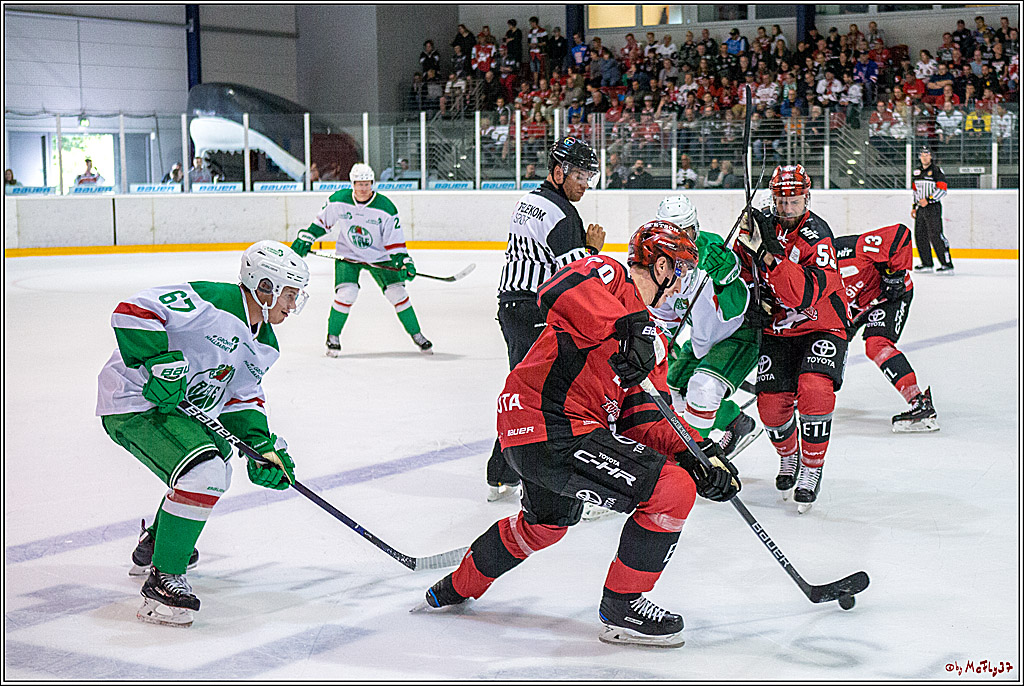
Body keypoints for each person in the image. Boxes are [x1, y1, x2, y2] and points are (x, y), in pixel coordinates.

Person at [422, 221, 740, 648]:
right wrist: (629, 326)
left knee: (546, 525)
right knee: (671, 489)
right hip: (551, 425)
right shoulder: (612, 276)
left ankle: (455, 587)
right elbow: (556, 290)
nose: (683, 286)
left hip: (535, 434)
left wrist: (699, 454)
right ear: (661, 265)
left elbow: (644, 419)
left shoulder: (654, 340)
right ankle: (623, 605)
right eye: (680, 271)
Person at [97, 241, 309, 627]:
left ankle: (159, 542)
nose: (292, 305)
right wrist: (155, 360)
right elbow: (133, 312)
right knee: (204, 471)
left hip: (181, 411)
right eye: (289, 294)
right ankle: (162, 582)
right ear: (265, 287)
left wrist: (260, 444)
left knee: (219, 462)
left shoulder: (264, 342)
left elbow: (240, 397)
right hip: (134, 402)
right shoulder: (210, 301)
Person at [486, 137, 605, 502]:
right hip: (533, 312)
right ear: (558, 171)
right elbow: (572, 276)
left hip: (512, 308)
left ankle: (501, 473)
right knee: (539, 397)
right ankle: (528, 476)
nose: (585, 184)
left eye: (590, 176)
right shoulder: (565, 216)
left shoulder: (529, 201)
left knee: (525, 392)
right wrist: (593, 251)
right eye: (581, 175)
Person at [735, 165, 850, 513]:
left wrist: (767, 255)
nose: (787, 208)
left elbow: (801, 294)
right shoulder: (762, 226)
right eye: (781, 201)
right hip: (779, 329)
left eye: (795, 201)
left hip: (822, 326)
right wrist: (752, 297)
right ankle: (789, 457)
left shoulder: (817, 235)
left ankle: (812, 469)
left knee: (815, 389)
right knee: (770, 407)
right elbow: (742, 272)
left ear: (807, 198)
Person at [651, 196, 760, 458]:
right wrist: (661, 342)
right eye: (671, 233)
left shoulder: (713, 249)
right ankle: (736, 423)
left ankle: (697, 457)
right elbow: (664, 313)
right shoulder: (660, 261)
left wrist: (725, 279)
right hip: (703, 338)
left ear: (695, 228)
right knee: (670, 387)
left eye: (685, 232)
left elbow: (737, 307)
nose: (680, 241)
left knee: (703, 388)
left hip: (739, 334)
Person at [289, 163, 433, 355]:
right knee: (346, 294)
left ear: (372, 183)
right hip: (348, 254)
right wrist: (307, 237)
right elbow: (322, 223)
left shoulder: (386, 208)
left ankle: (417, 335)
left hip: (380, 256)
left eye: (367, 184)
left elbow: (395, 241)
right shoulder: (339, 200)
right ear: (352, 184)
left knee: (398, 294)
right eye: (359, 184)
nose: (363, 188)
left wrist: (403, 261)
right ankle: (333, 337)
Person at [835, 225, 939, 433]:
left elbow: (900, 235)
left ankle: (919, 401)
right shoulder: (800, 277)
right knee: (829, 343)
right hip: (857, 307)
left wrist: (894, 275)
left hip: (890, 297)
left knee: (876, 345)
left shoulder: (849, 250)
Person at [910, 147, 953, 274]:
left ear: (931, 157)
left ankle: (947, 264)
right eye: (922, 155)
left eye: (927, 155)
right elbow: (915, 191)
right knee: (920, 235)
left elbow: (943, 189)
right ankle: (926, 263)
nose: (924, 157)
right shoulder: (917, 172)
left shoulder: (936, 170)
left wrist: (929, 200)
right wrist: (914, 206)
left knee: (936, 235)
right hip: (920, 208)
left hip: (932, 207)